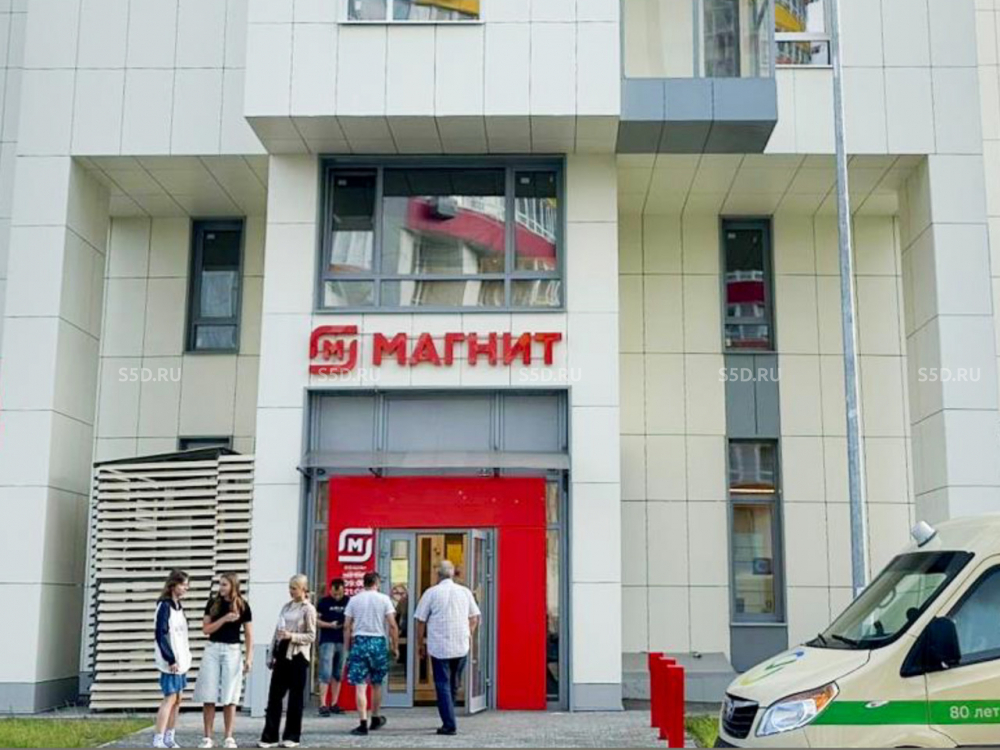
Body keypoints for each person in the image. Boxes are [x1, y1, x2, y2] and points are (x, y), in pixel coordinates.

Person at [414, 560, 481, 736]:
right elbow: (474, 617)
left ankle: (449, 723)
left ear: (438, 575)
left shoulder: (431, 593)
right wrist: (468, 634)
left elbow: (420, 620)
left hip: (439, 646)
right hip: (461, 645)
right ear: (453, 574)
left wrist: (420, 644)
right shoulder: (465, 592)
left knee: (442, 684)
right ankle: (449, 716)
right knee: (453, 683)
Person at [194, 572, 254, 748]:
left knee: (230, 694)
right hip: (212, 648)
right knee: (209, 693)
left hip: (232, 650)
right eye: (220, 584)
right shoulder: (213, 603)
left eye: (224, 584)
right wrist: (224, 619)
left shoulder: (243, 605)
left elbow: (249, 634)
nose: (221, 588)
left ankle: (229, 736)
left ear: (233, 586)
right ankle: (207, 737)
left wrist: (249, 658)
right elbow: (206, 629)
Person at [258, 575, 317, 749]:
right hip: (282, 652)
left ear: (303, 589)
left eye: (294, 588)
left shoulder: (308, 609)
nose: (291, 591)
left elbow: (311, 636)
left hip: (298, 655)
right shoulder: (286, 607)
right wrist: (271, 654)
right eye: (290, 588)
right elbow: (277, 631)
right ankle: (270, 736)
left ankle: (292, 736)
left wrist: (292, 636)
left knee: (295, 698)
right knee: (274, 696)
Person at [344, 571, 399, 736]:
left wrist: (347, 648)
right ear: (377, 583)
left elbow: (347, 626)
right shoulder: (384, 599)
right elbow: (392, 625)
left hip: (360, 642)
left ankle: (362, 723)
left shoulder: (354, 600)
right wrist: (395, 646)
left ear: (364, 583)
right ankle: (375, 717)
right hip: (378, 642)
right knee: (376, 684)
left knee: (360, 685)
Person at [153, 570, 192, 749]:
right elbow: (161, 634)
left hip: (181, 660)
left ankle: (170, 736)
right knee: (170, 698)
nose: (185, 588)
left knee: (178, 699)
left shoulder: (179, 607)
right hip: (171, 661)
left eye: (187, 585)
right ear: (173, 585)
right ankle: (158, 738)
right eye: (183, 584)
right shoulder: (165, 606)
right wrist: (170, 658)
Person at [315, 578, 350, 716]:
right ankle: (323, 704)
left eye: (340, 594)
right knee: (325, 673)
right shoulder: (324, 602)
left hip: (342, 640)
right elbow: (315, 620)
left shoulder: (348, 601)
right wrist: (329, 625)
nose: (337, 597)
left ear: (344, 590)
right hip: (327, 640)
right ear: (330, 590)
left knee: (338, 673)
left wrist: (347, 626)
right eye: (335, 594)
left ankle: (334, 703)